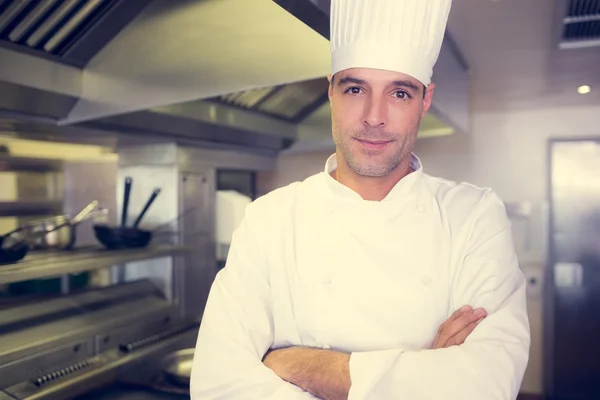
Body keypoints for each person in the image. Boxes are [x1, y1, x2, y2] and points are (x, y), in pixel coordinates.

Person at [190, 0, 530, 398]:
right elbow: (219, 385)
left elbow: (485, 385)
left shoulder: (472, 216)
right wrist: (424, 375)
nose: (374, 116)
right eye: (355, 88)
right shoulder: (270, 219)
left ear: (425, 101)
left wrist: (298, 364)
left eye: (400, 93)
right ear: (331, 91)